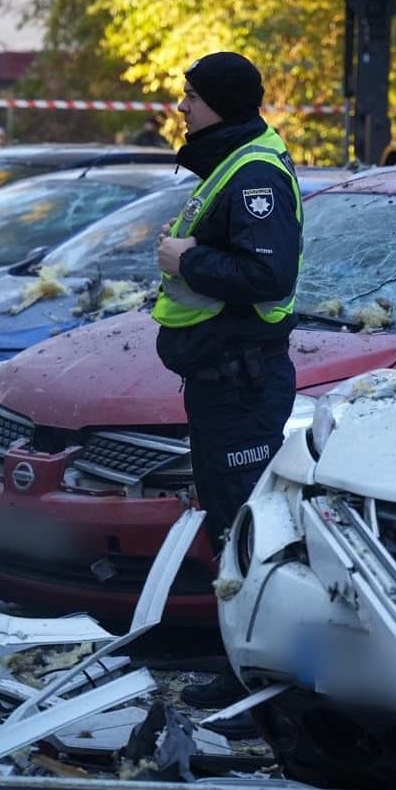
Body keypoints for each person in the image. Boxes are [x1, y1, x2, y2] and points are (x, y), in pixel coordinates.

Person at [153, 52, 302, 710]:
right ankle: (247, 665)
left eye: (192, 97)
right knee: (228, 525)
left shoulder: (254, 172)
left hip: (243, 380)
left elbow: (269, 276)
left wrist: (189, 257)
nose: (182, 108)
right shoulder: (232, 163)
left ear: (222, 102)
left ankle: (266, 681)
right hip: (222, 380)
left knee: (248, 529)